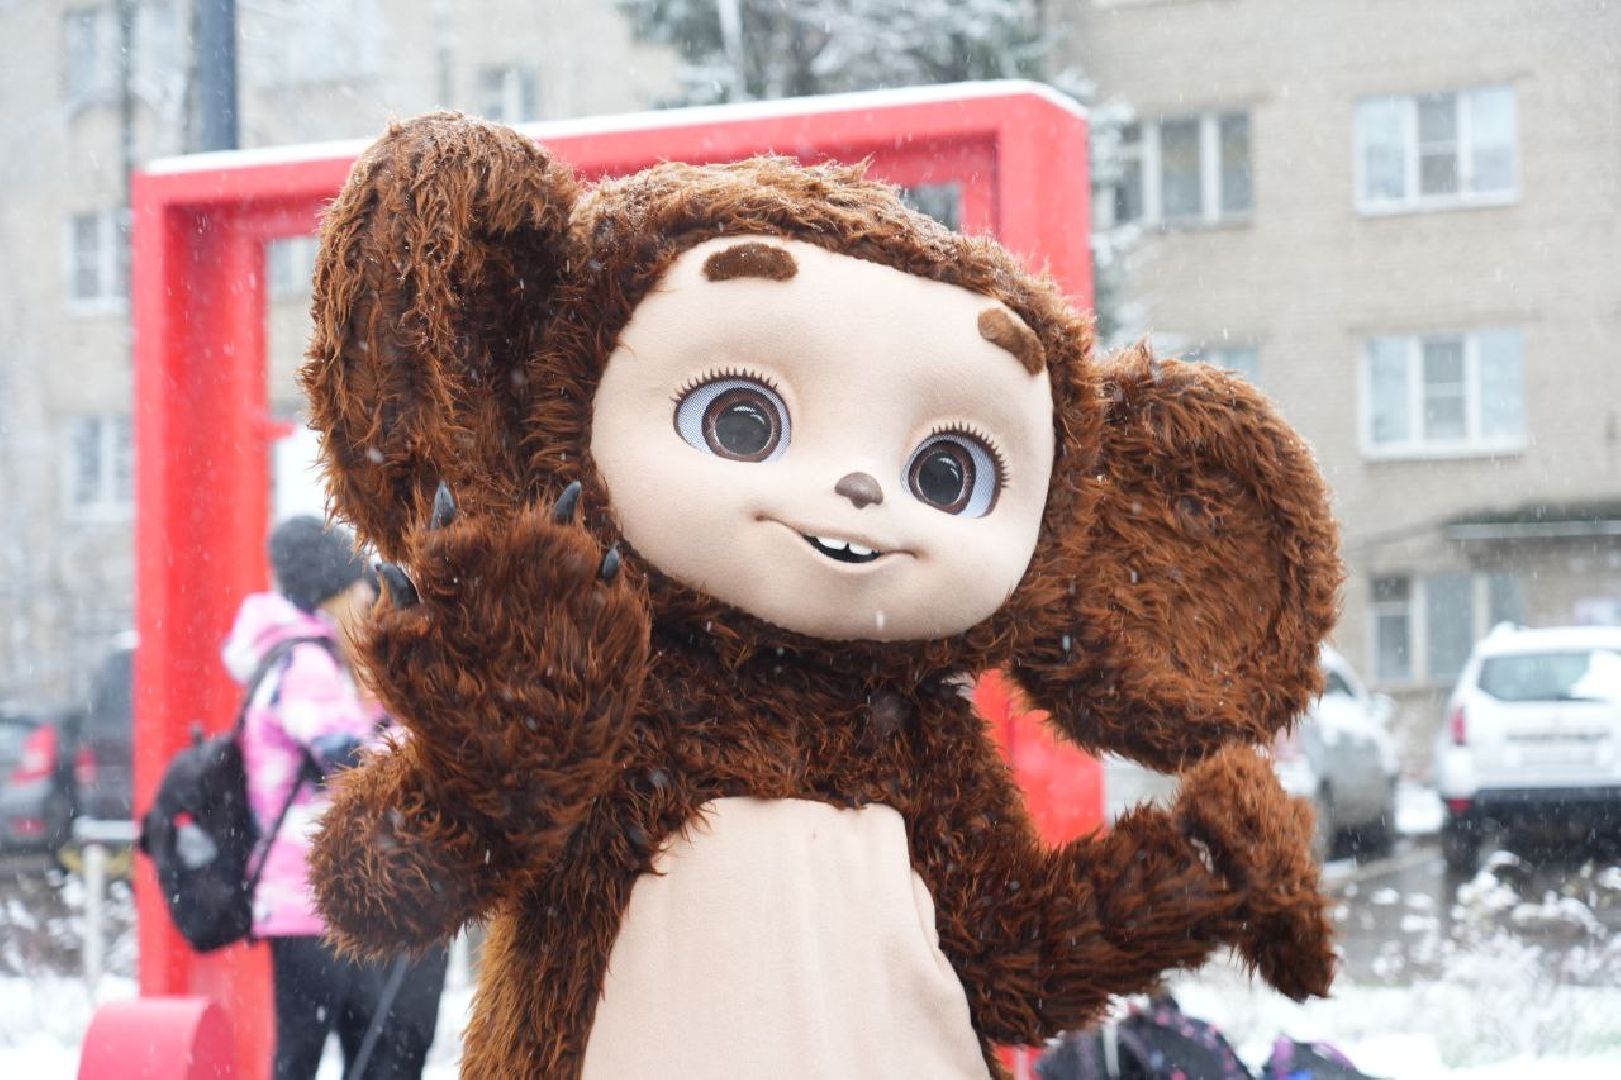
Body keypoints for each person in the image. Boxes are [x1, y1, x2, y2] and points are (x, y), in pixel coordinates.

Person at [223, 515, 448, 1080]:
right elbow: (349, 762)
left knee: (328, 1048)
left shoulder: (292, 657)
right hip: (310, 892)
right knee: (314, 1053)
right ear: (333, 594)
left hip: (313, 894)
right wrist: (421, 729)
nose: (365, 605)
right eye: (356, 592)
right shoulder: (305, 663)